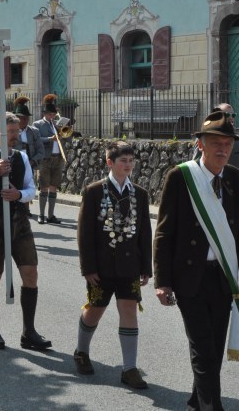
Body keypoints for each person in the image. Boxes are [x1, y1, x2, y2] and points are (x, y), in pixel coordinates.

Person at [153, 110, 239, 411]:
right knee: (202, 347)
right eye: (215, 143)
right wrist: (163, 282)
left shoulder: (236, 180)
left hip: (223, 276)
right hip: (189, 278)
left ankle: (198, 401)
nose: (223, 149)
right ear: (200, 144)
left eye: (227, 143)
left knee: (213, 345)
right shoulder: (181, 177)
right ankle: (213, 406)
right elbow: (164, 233)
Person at [0, 112, 52, 352]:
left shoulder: (22, 157)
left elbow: (31, 190)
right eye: (11, 131)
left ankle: (29, 331)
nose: (15, 135)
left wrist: (19, 195)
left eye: (17, 131)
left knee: (31, 274)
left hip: (19, 221)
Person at [74, 141, 152, 389]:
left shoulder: (139, 193)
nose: (128, 165)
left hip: (129, 266)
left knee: (129, 310)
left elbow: (144, 233)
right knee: (95, 308)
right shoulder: (94, 191)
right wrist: (88, 268)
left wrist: (146, 268)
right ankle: (82, 351)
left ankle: (129, 368)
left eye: (131, 161)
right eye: (123, 161)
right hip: (102, 266)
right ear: (110, 162)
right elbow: (85, 233)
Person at [193, 103, 239, 215]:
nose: (231, 117)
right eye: (227, 114)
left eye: (234, 115)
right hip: (208, 195)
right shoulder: (204, 141)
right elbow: (195, 167)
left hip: (234, 198)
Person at [33, 94, 69, 224]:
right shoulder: (37, 124)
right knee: (44, 186)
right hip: (45, 159)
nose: (52, 116)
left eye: (53, 114)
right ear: (45, 113)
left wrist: (63, 132)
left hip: (57, 158)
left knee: (54, 186)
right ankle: (41, 215)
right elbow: (36, 141)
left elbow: (67, 139)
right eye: (50, 114)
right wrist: (50, 139)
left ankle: (51, 215)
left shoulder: (57, 125)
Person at [13, 96, 44, 181]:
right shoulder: (10, 132)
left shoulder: (34, 132)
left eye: (26, 118)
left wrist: (32, 161)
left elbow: (41, 151)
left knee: (29, 189)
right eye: (21, 118)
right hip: (14, 166)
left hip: (30, 166)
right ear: (16, 118)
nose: (24, 120)